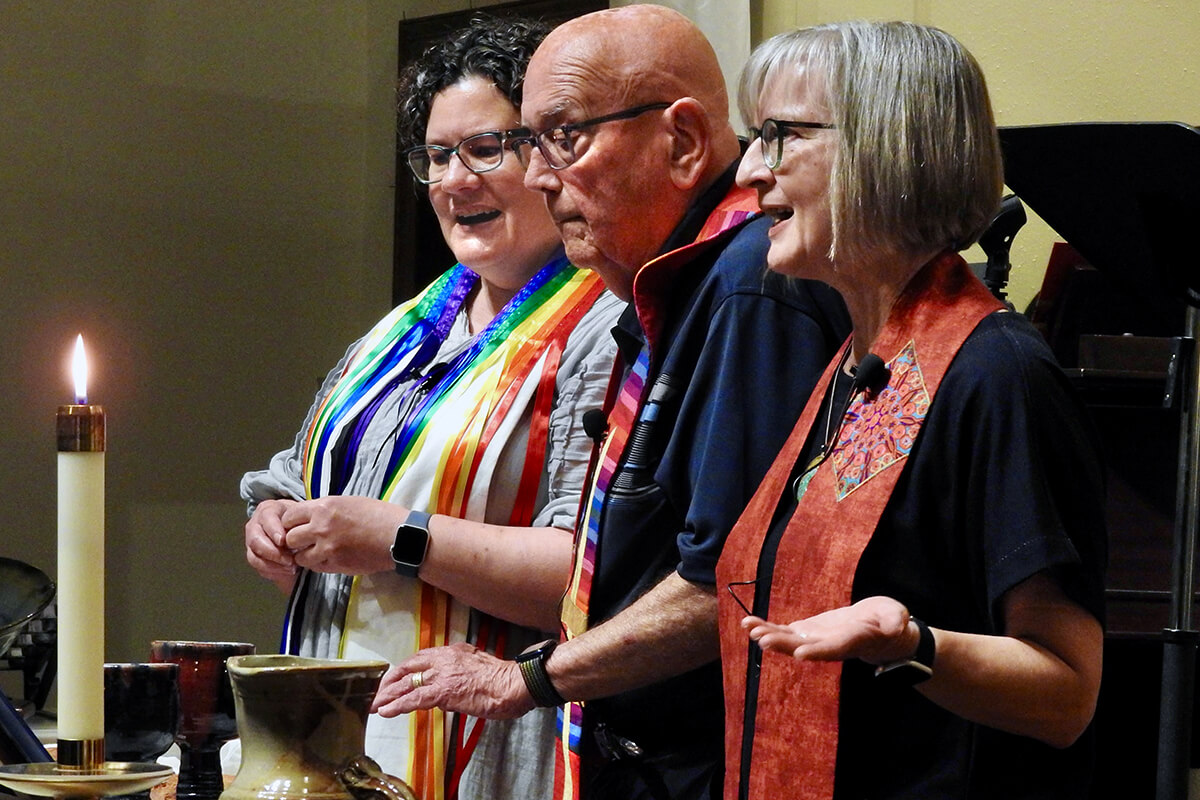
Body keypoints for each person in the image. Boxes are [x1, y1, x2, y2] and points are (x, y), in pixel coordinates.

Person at [371, 6, 850, 799]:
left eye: (564, 137)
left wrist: (528, 679)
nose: (535, 175)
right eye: (529, 143)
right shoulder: (674, 284)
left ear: (685, 142)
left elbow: (732, 583)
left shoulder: (751, 287)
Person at [716, 20, 1107, 799]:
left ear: (886, 145)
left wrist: (914, 645)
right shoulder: (858, 360)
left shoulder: (998, 372)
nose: (751, 168)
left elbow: (1068, 693)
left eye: (778, 135)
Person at [239, 16, 624, 800]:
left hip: (494, 732)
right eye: (438, 156)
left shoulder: (605, 325)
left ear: (553, 151)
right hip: (336, 731)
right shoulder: (399, 332)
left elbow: (592, 571)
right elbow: (292, 478)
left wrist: (398, 539)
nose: (454, 181)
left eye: (486, 148)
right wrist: (275, 528)